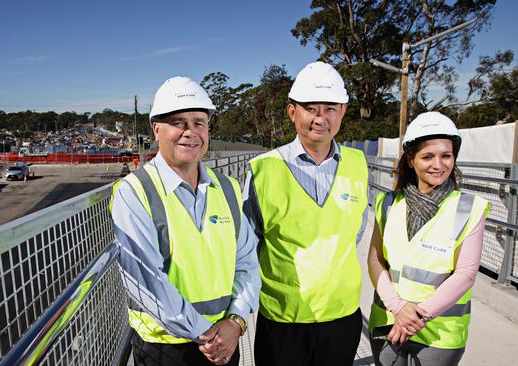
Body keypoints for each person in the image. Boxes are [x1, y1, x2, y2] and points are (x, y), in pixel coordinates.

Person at [111, 76, 261, 366]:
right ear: (156, 130)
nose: (190, 132)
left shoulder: (227, 188)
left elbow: (247, 261)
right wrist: (210, 337)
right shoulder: (134, 191)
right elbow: (146, 283)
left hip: (224, 339)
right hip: (165, 350)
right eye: (179, 122)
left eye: (199, 122)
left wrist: (236, 322)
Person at [243, 61, 369, 365]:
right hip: (284, 321)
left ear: (343, 111)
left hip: (342, 317)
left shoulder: (357, 163)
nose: (320, 118)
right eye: (311, 108)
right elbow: (246, 246)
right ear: (292, 112)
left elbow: (356, 230)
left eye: (330, 109)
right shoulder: (263, 170)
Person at [367, 112, 489, 365]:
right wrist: (398, 308)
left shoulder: (470, 208)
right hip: (388, 321)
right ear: (411, 160)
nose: (438, 164)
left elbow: (465, 274)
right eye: (427, 156)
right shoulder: (387, 203)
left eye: (446, 155)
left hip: (439, 336)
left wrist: (416, 318)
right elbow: (375, 259)